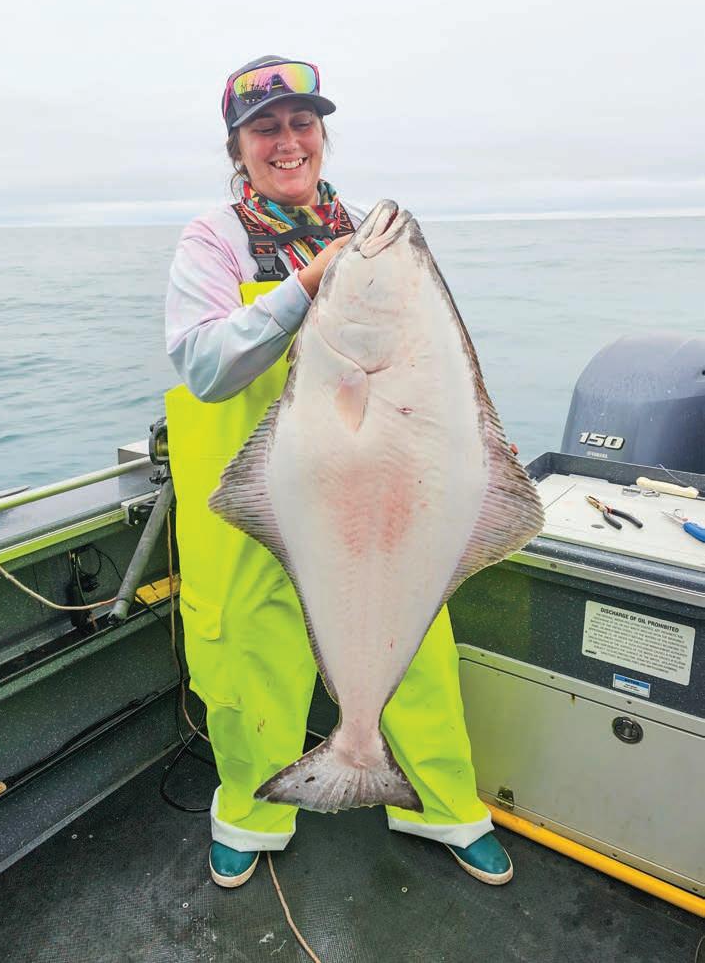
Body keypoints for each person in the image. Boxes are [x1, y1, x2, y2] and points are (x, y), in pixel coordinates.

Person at [164, 55, 513, 889]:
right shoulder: (213, 239)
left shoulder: (362, 231)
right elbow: (203, 368)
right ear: (237, 147)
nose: (287, 141)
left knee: (417, 654)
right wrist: (305, 285)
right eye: (264, 128)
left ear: (321, 135)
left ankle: (440, 807)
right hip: (262, 503)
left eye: (302, 123)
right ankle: (251, 818)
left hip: (386, 497)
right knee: (251, 662)